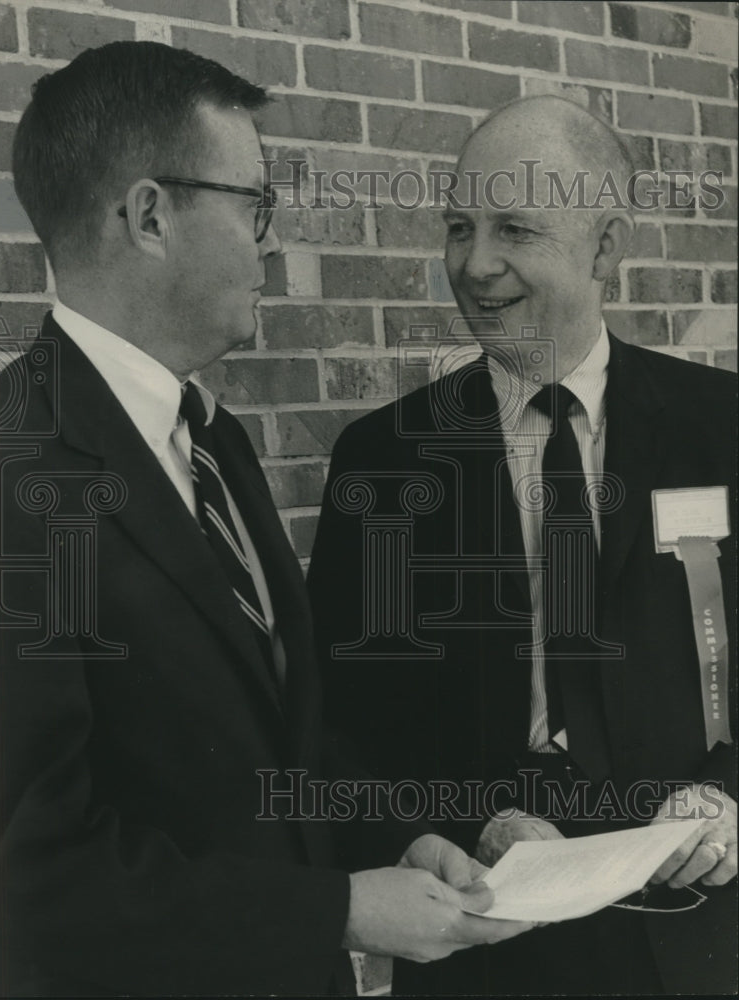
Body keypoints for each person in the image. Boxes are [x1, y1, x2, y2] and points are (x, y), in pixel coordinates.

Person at [0, 42, 534, 997]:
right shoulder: (3, 475)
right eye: (255, 206)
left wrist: (400, 838)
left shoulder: (211, 440)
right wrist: (342, 909)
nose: (269, 242)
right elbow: (24, 879)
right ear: (151, 216)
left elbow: (278, 740)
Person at [308, 95, 737, 995]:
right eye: (458, 227)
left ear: (606, 246)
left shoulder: (720, 427)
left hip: (702, 924)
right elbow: (343, 724)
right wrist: (460, 828)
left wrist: (725, 795)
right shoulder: (384, 459)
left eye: (514, 229)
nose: (475, 264)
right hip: (485, 929)